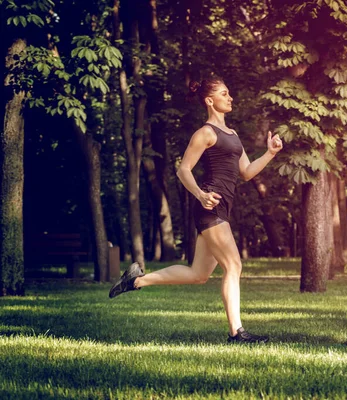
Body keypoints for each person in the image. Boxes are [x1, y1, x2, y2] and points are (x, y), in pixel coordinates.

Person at [109, 76, 283, 344]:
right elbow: (183, 170)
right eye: (225, 94)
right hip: (210, 207)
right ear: (210, 100)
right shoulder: (205, 133)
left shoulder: (233, 135)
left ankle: (136, 281)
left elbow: (246, 173)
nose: (230, 97)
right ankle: (236, 332)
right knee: (234, 266)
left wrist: (269, 154)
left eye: (229, 93)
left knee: (198, 275)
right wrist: (201, 195)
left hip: (222, 208)